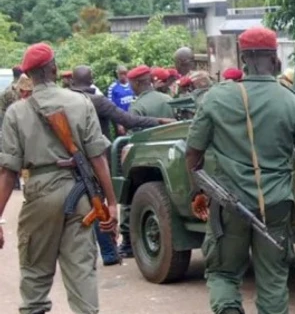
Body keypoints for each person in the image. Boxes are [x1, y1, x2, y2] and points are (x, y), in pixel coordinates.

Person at [186, 26, 295, 314]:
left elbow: (192, 153)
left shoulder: (215, 98)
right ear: (274, 59)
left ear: (243, 58)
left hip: (228, 206)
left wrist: (197, 191)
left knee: (223, 274)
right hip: (275, 206)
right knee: (273, 281)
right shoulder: (293, 102)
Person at [0, 43, 117, 314]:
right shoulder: (81, 101)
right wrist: (111, 202)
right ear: (53, 68)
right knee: (82, 275)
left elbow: (8, 171)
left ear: (28, 76)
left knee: (35, 276)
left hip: (40, 193)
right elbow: (98, 157)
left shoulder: (16, 112)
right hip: (80, 194)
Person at [117, 65, 175, 258]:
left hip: (145, 161)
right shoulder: (168, 99)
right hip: (171, 159)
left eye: (132, 83)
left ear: (136, 83)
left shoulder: (138, 106)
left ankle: (127, 242)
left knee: (130, 198)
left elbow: (132, 136)